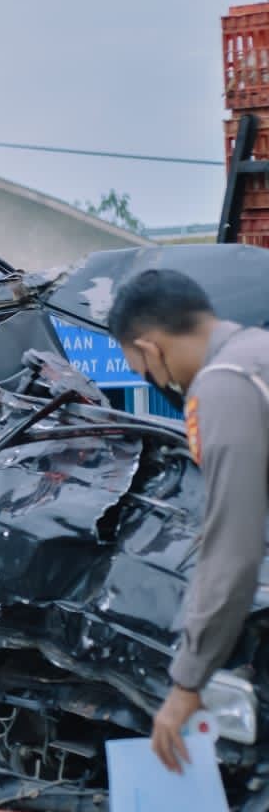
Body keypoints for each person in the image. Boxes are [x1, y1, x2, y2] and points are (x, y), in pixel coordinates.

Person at [108, 269, 269, 773]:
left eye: (141, 368)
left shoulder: (223, 386)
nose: (155, 382)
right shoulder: (257, 351)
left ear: (150, 348)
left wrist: (187, 683)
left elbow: (234, 549)